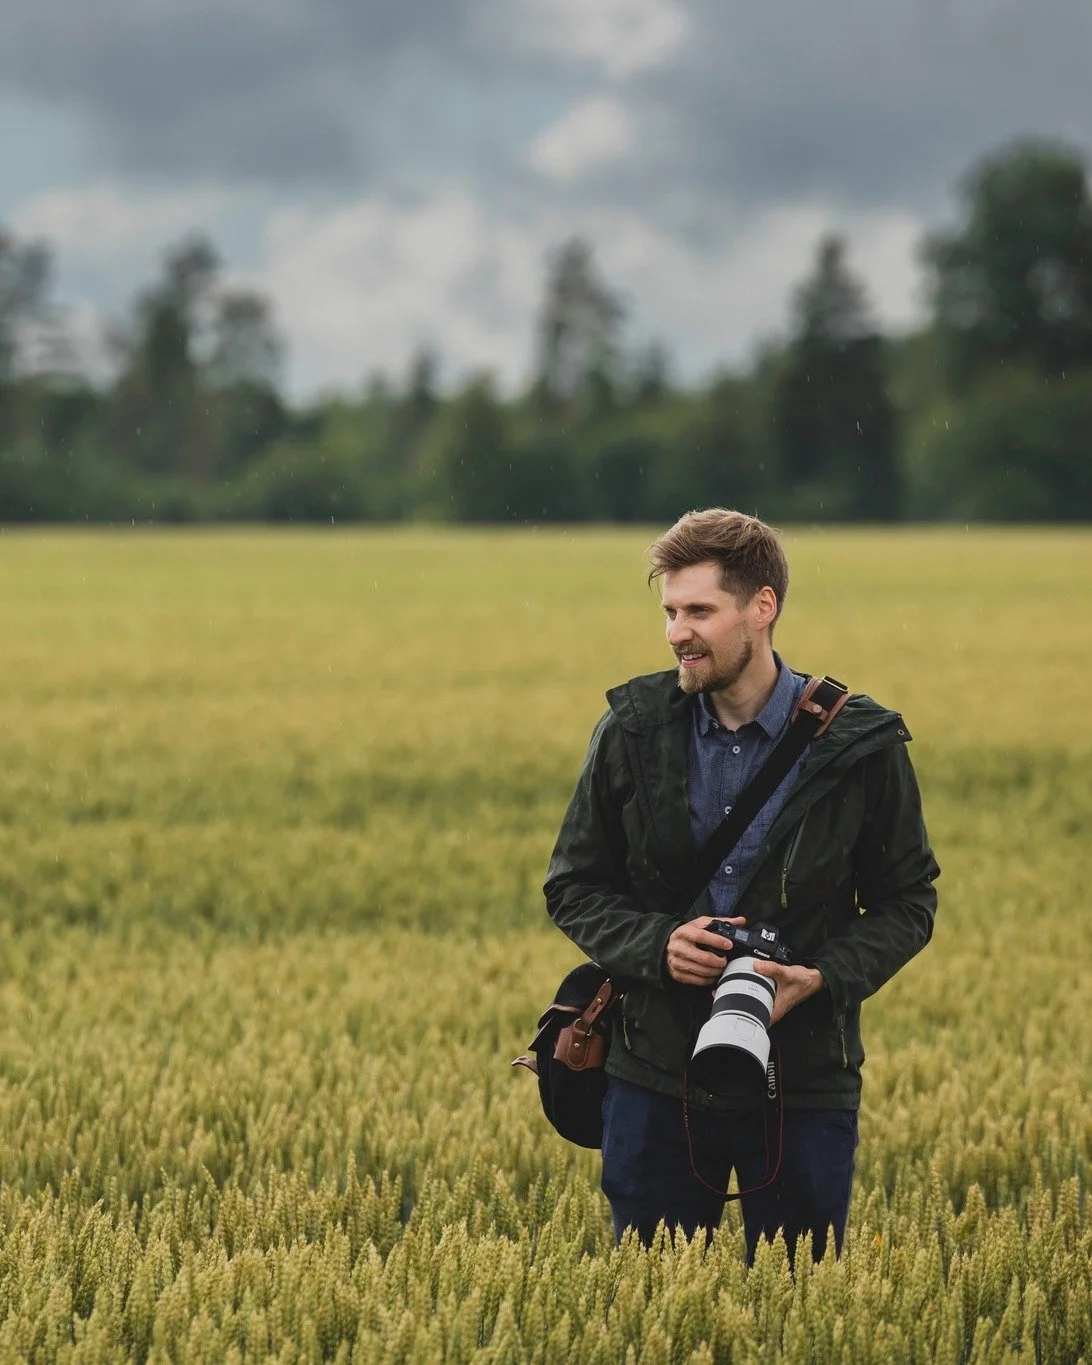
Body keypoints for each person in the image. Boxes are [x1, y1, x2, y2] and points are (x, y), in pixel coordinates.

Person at [543, 509, 939, 1262]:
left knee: (801, 1309)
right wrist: (660, 944)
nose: (676, 632)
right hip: (655, 1075)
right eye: (668, 610)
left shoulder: (858, 745)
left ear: (763, 607)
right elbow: (574, 885)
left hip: (802, 1079)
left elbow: (908, 901)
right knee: (650, 1308)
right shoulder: (632, 730)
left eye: (699, 610)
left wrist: (818, 976)